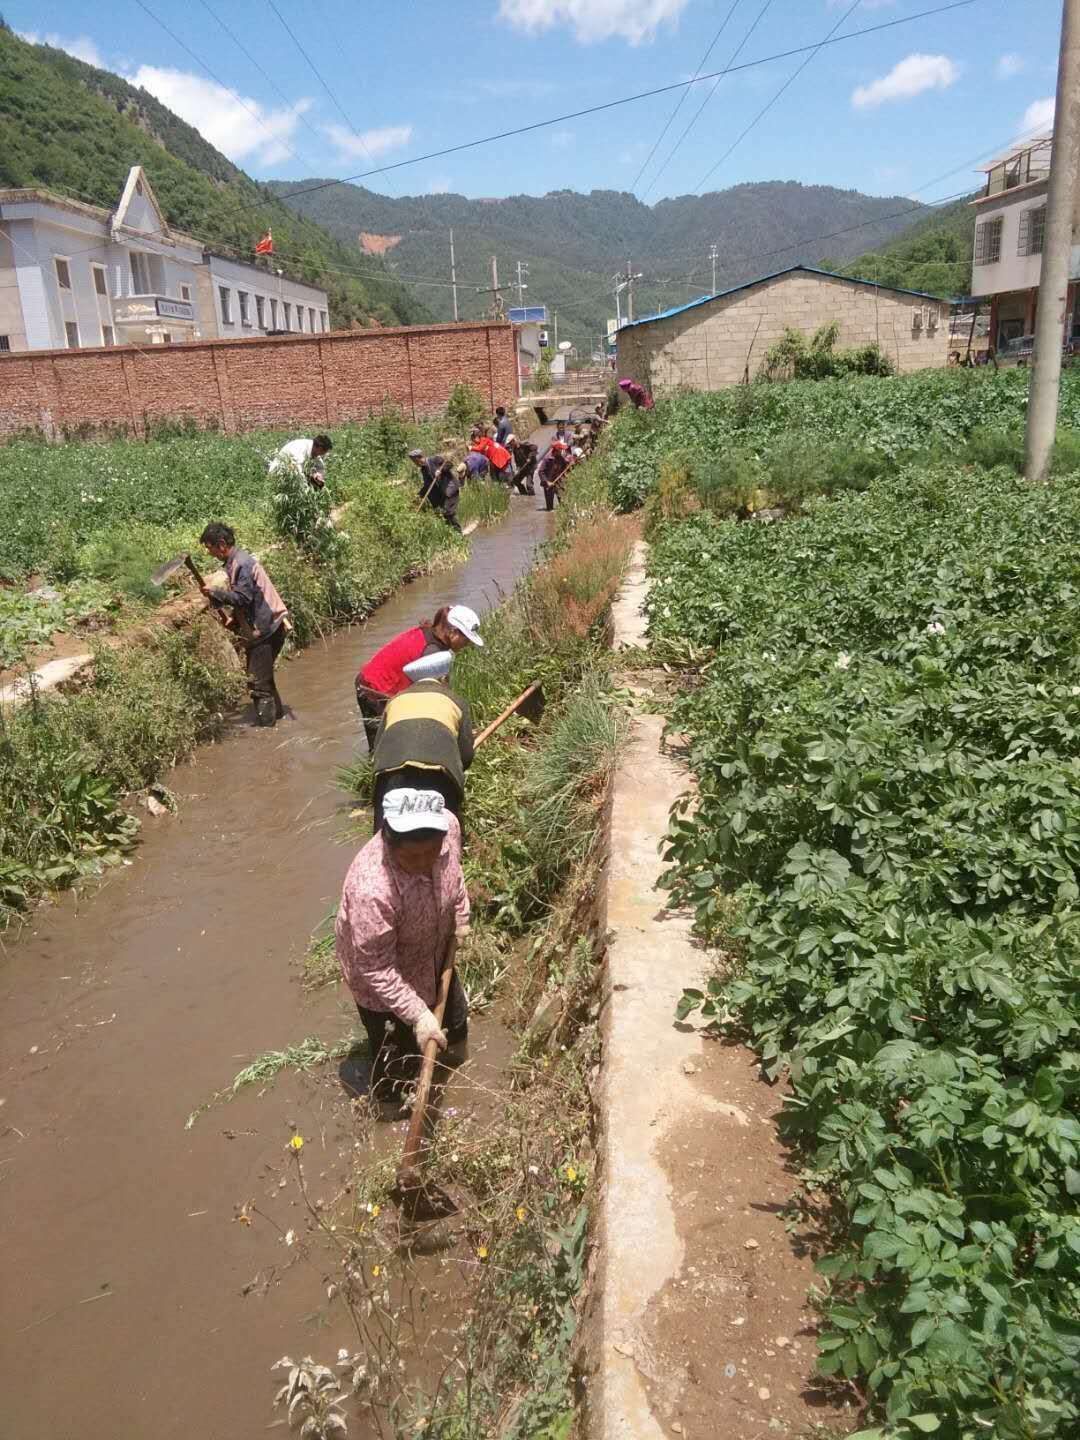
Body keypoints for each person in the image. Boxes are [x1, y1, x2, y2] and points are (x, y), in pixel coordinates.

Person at [335, 788, 470, 1108]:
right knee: (397, 1066)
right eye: (413, 858)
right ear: (388, 841)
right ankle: (394, 1110)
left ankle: (454, 1075)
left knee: (456, 1026)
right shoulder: (373, 887)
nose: (425, 864)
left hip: (435, 953)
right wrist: (419, 1016)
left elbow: (456, 872)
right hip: (382, 981)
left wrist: (461, 913)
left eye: (431, 853)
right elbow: (376, 968)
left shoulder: (448, 827)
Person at [355, 603, 484, 751]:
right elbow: (434, 699)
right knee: (386, 744)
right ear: (453, 632)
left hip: (377, 680)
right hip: (373, 688)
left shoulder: (432, 633)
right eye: (466, 639)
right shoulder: (432, 653)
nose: (467, 645)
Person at [199, 522, 290, 727]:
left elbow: (243, 597)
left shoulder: (242, 564)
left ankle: (268, 735)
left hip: (266, 630)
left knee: (258, 684)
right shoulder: (235, 562)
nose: (211, 553)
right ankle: (278, 719)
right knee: (263, 679)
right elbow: (247, 599)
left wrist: (215, 592)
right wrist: (233, 617)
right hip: (266, 626)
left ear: (221, 544)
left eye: (210, 548)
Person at [372, 650, 473, 831]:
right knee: (443, 836)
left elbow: (378, 748)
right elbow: (466, 756)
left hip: (390, 775)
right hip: (438, 775)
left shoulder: (395, 700)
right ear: (444, 678)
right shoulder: (456, 701)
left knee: (386, 838)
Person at [408, 448, 461, 532]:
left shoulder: (434, 460)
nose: (414, 463)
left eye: (414, 461)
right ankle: (452, 536)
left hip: (450, 490)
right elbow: (427, 486)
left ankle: (459, 535)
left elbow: (449, 464)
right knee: (443, 515)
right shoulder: (424, 470)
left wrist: (440, 470)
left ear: (418, 458)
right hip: (443, 494)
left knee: (448, 512)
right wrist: (418, 496)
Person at [538, 441, 570, 511]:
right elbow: (540, 472)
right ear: (557, 450)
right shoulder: (547, 459)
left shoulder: (561, 458)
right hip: (548, 484)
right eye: (561, 449)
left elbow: (566, 469)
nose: (562, 451)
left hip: (558, 483)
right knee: (550, 508)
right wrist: (547, 482)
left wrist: (571, 464)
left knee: (563, 502)